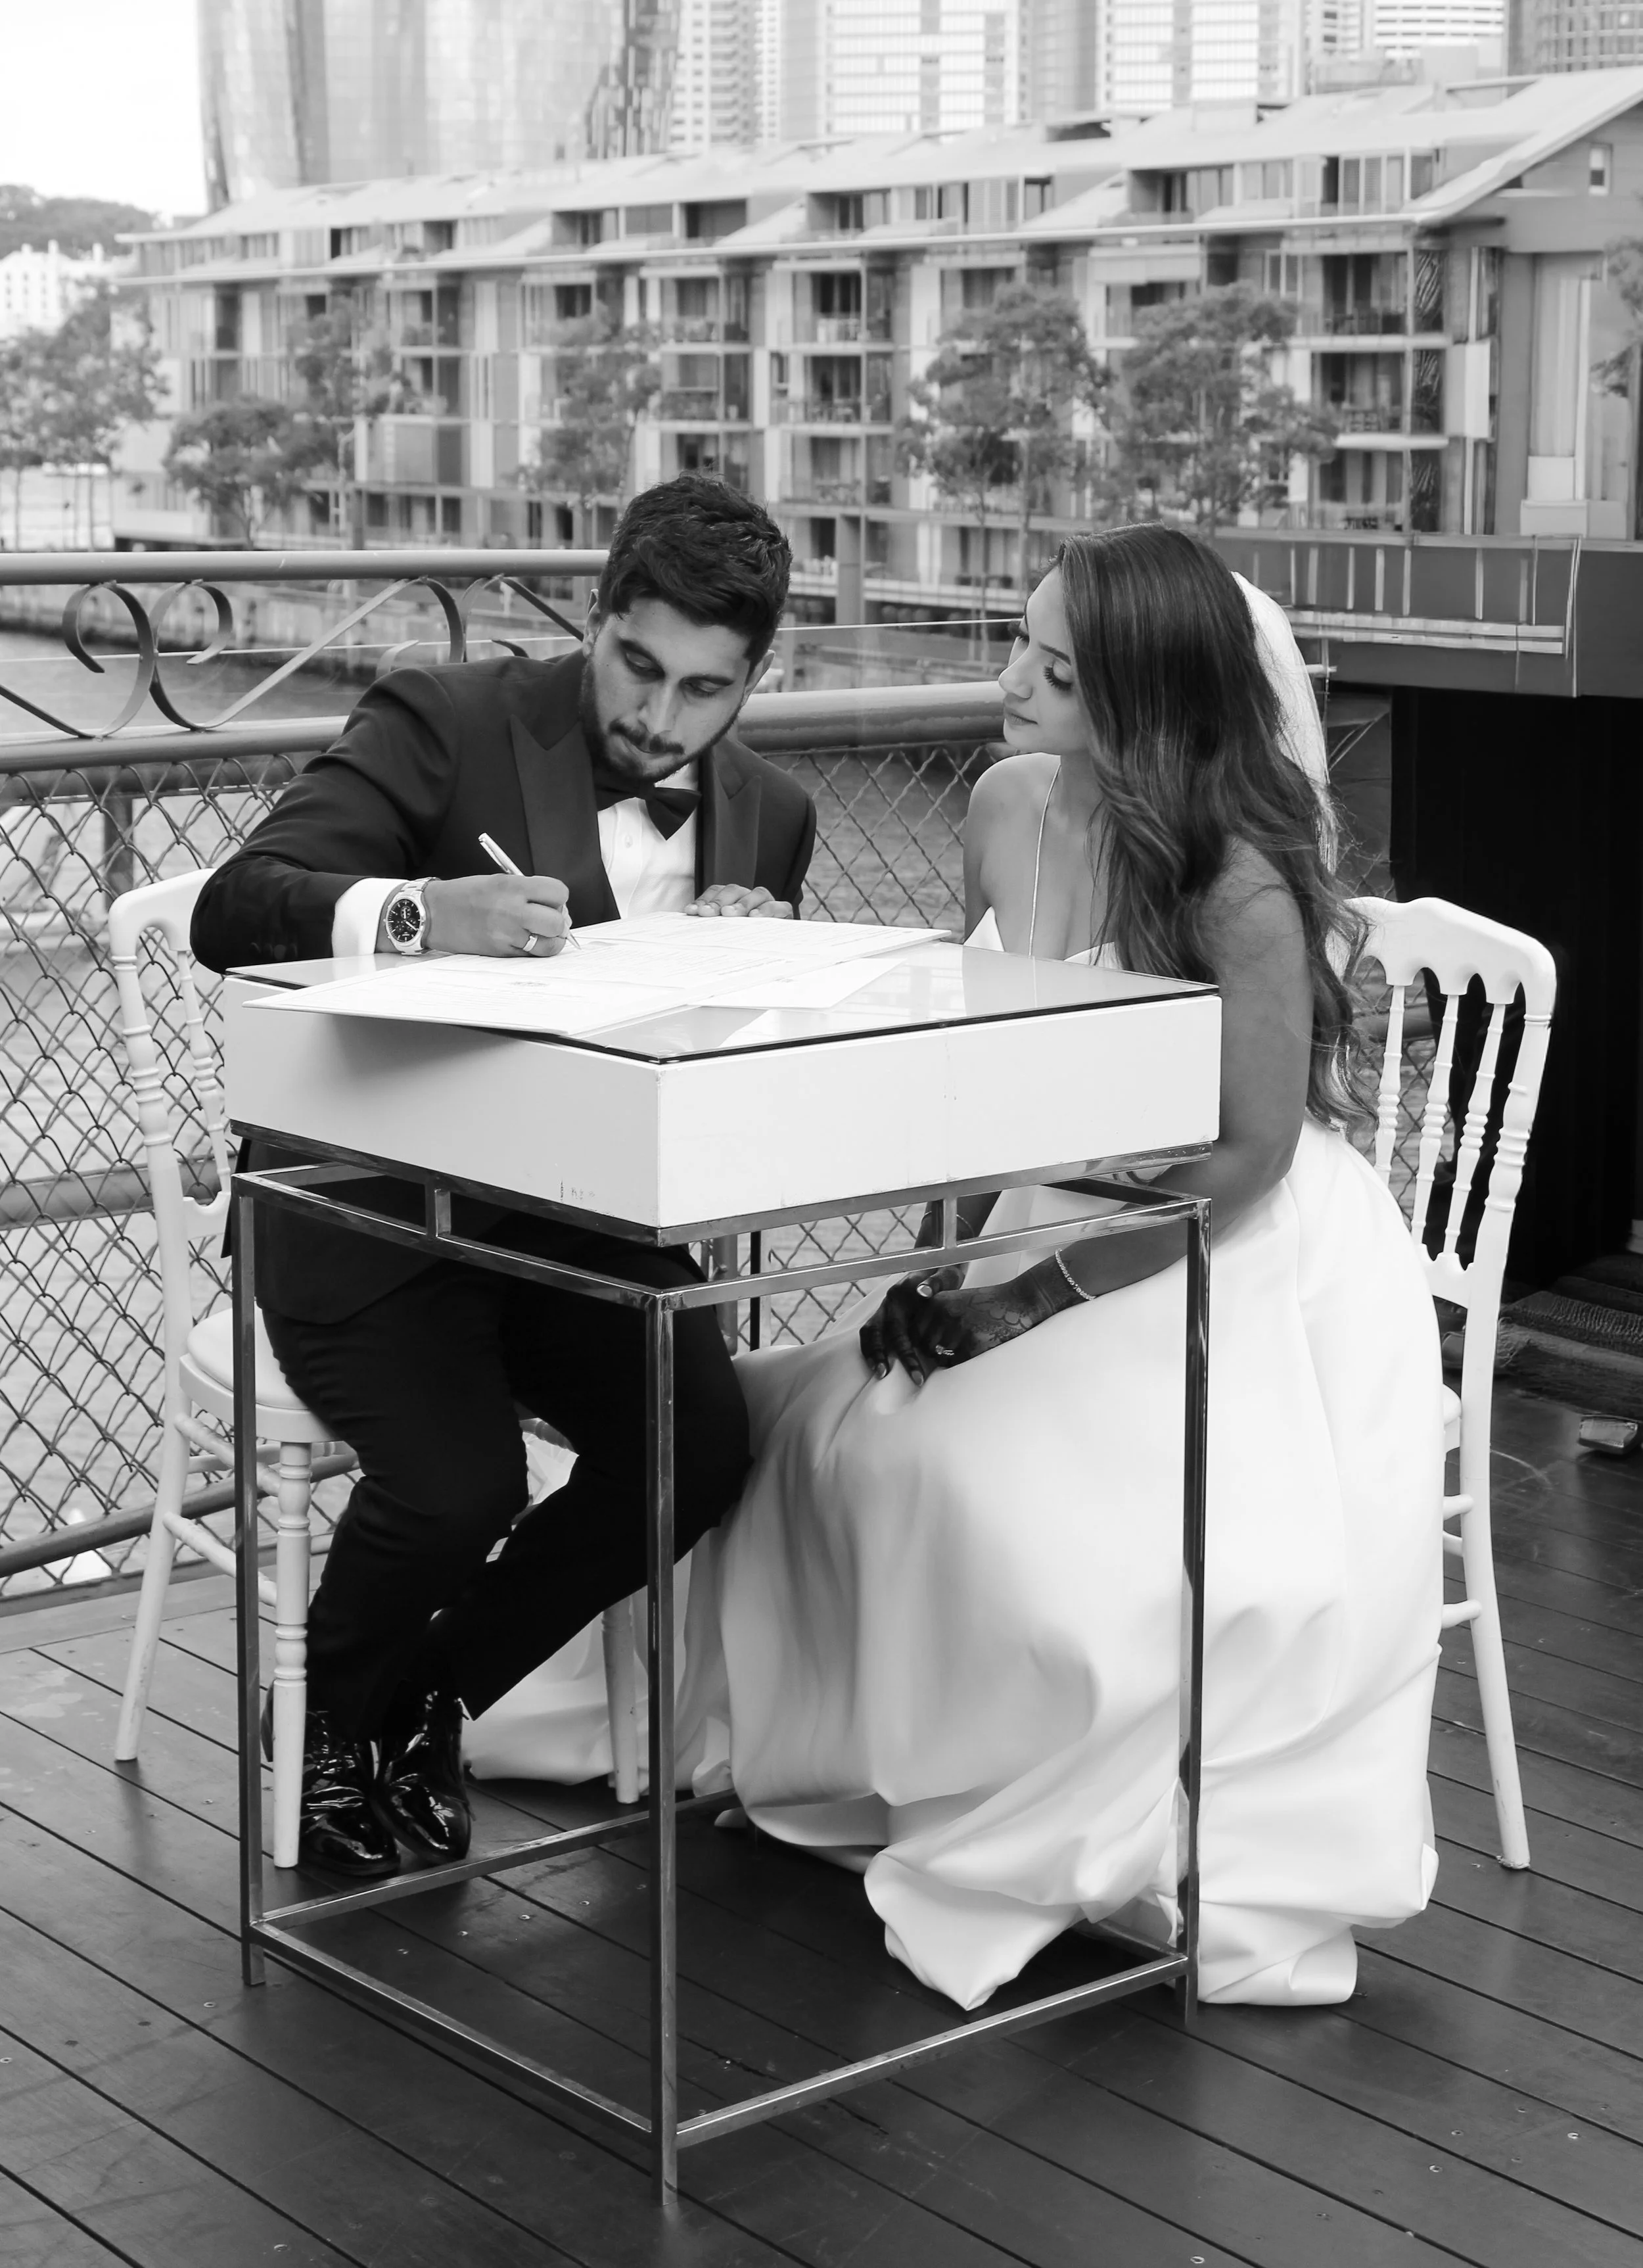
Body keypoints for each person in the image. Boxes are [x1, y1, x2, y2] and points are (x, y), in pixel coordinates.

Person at [474, 525, 1443, 2008]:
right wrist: (925, 1260)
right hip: (1038, 1211)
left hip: (1209, 1251)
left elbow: (1240, 1160)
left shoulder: (1234, 881)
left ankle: (1025, 1809)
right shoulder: (1001, 805)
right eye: (1018, 643)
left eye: (1050, 671)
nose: (1004, 682)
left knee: (1017, 1516)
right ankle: (852, 1753)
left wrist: (1026, 1295)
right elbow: (970, 1044)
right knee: (797, 1429)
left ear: (1136, 698)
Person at [192, 475, 816, 1879]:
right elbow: (239, 907)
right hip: (363, 1198)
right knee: (459, 1484)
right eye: (637, 667)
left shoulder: (772, 817)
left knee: (695, 1446)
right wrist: (422, 917)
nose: (659, 719)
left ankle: (418, 1699)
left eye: (704, 691)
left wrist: (750, 969)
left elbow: (704, 1070)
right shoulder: (442, 718)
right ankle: (322, 1725)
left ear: (753, 680)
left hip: (576, 1220)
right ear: (594, 620)